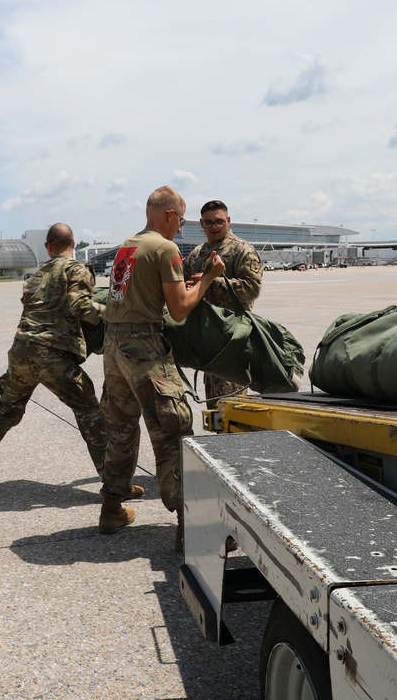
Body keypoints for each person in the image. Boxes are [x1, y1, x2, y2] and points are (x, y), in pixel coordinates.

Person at [0, 223, 137, 492]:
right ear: (73, 245)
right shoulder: (75, 269)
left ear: (48, 247)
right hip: (52, 354)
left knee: (7, 410)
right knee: (89, 412)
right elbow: (80, 306)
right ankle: (115, 485)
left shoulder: (36, 274)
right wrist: (114, 313)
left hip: (22, 351)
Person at [98, 186, 224, 550]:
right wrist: (210, 277)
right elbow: (180, 309)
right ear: (169, 214)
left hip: (114, 345)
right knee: (174, 427)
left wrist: (188, 285)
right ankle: (190, 525)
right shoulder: (165, 248)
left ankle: (111, 508)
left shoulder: (128, 246)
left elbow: (140, 294)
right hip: (143, 345)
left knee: (121, 428)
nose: (181, 228)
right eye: (182, 219)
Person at [183, 199, 263, 408]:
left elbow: (252, 289)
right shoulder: (196, 254)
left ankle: (234, 441)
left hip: (231, 338)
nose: (214, 227)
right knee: (214, 404)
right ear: (201, 224)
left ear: (228, 221)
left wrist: (210, 282)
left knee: (230, 404)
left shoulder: (241, 250)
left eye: (219, 222)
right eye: (208, 223)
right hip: (207, 339)